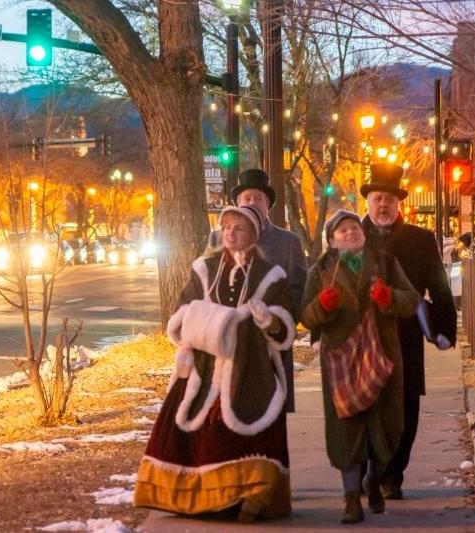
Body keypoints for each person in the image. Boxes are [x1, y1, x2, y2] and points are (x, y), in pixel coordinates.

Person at [135, 205, 297, 522]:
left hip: (249, 369)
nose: (231, 234)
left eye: (239, 229)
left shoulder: (271, 276)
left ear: (254, 234)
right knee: (193, 430)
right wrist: (204, 322)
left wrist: (268, 321)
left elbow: (284, 330)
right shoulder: (204, 268)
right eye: (227, 228)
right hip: (204, 365)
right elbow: (182, 311)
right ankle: (197, 497)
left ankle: (251, 497)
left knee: (252, 428)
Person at [302, 209, 419, 524]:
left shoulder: (385, 263)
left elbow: (411, 300)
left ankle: (375, 478)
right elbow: (306, 316)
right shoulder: (321, 271)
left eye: (354, 227)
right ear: (332, 241)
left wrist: (388, 297)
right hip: (341, 360)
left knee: (386, 424)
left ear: (363, 233)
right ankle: (352, 498)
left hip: (382, 355)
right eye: (342, 230)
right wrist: (321, 307)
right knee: (347, 428)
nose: (350, 232)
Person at [360, 163, 458, 500]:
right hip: (360, 340)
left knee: (403, 407)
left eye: (388, 199)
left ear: (398, 202)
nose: (382, 205)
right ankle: (364, 471)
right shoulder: (347, 236)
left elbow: (440, 289)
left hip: (404, 337)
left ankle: (391, 475)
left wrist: (445, 330)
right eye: (376, 199)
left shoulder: (420, 239)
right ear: (368, 202)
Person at [208, 168, 307, 413]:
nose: (252, 202)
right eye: (246, 198)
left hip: (270, 345)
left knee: (270, 417)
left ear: (268, 205)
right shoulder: (217, 239)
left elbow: (299, 291)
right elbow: (206, 289)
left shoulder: (289, 242)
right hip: (229, 344)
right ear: (237, 204)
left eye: (258, 198)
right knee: (229, 415)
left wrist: (277, 322)